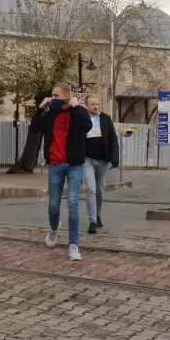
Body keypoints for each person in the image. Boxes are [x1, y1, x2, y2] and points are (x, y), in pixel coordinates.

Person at [29, 82, 92, 261]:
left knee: (73, 203)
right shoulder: (51, 114)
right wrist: (40, 108)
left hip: (74, 165)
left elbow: (87, 126)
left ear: (65, 96)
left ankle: (74, 245)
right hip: (55, 165)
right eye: (52, 95)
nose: (53, 98)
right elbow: (34, 128)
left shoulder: (76, 113)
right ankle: (54, 229)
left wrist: (77, 107)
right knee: (53, 205)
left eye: (56, 95)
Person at [83, 97, 119, 234]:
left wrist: (115, 158)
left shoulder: (105, 118)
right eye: (92, 104)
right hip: (87, 160)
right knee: (91, 189)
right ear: (86, 106)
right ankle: (92, 221)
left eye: (97, 104)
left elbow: (113, 139)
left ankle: (97, 215)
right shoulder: (83, 118)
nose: (95, 106)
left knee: (99, 191)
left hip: (103, 160)